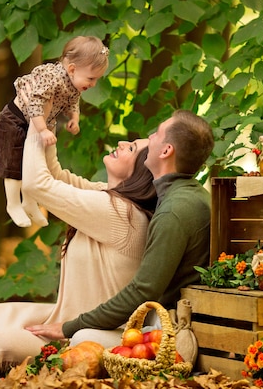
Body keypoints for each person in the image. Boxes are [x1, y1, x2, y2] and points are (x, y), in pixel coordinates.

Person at [0, 121, 157, 372]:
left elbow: (37, 184)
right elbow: (55, 175)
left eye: (133, 148)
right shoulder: (107, 196)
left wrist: (37, 116)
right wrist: (44, 120)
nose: (123, 143)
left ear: (141, 174)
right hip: (69, 319)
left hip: (94, 337)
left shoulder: (121, 213)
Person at [25, 109, 215, 350]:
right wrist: (46, 117)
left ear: (167, 151)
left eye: (156, 133)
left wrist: (70, 326)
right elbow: (58, 178)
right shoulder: (185, 196)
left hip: (167, 329)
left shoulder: (174, 210)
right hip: (162, 320)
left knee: (82, 340)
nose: (150, 137)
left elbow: (142, 292)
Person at [0, 36, 110, 227]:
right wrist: (42, 130)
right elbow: (36, 104)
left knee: (37, 166)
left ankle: (30, 203)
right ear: (72, 69)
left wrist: (74, 118)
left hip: (41, 125)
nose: (94, 84)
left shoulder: (74, 84)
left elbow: (73, 102)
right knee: (14, 166)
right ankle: (13, 204)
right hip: (15, 120)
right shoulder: (51, 77)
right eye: (91, 78)